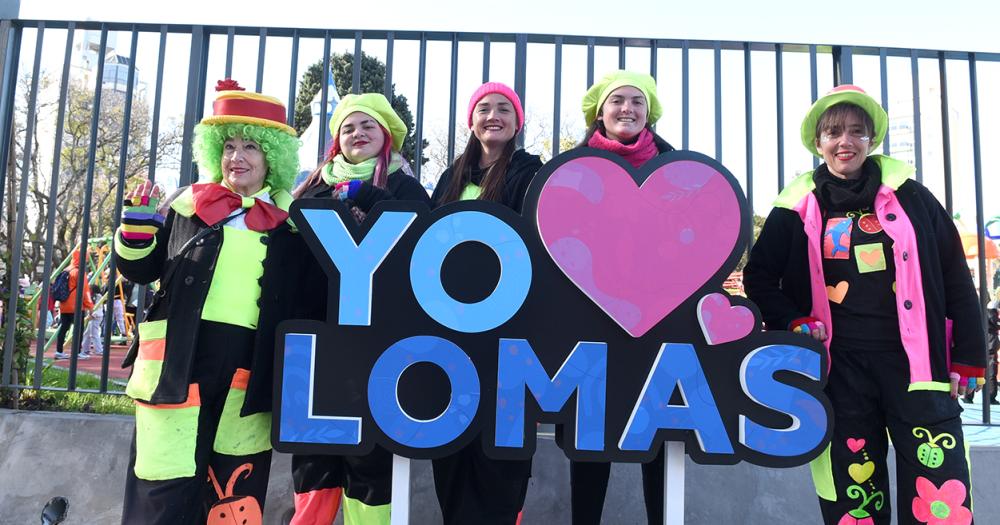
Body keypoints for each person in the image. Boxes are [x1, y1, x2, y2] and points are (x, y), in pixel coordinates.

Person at [744, 85, 984, 524]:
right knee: (854, 487)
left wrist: (969, 356)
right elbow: (759, 277)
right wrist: (793, 319)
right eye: (834, 132)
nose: (845, 142)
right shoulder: (794, 205)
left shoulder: (912, 196)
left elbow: (954, 273)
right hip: (841, 370)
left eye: (857, 131)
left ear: (871, 140)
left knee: (938, 486)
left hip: (917, 367)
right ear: (818, 142)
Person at [114, 78, 301, 524]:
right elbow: (140, 270)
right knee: (164, 483)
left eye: (251, 147)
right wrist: (137, 230)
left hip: (250, 370)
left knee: (233, 488)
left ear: (271, 158)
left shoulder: (292, 225)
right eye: (230, 146)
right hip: (179, 363)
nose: (237, 157)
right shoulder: (186, 206)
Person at [289, 93, 431, 525]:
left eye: (368, 126)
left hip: (377, 349)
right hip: (315, 347)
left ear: (386, 137)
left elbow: (420, 246)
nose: (358, 134)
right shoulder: (313, 185)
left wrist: (371, 198)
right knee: (313, 463)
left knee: (370, 464)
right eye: (348, 127)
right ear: (336, 139)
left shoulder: (404, 186)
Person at [430, 82, 542, 525]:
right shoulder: (450, 176)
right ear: (470, 121)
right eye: (483, 108)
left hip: (508, 335)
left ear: (517, 123)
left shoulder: (531, 172)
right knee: (450, 447)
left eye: (503, 109)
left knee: (501, 454)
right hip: (450, 331)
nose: (493, 115)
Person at [566, 69, 674, 525]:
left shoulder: (676, 165)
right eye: (617, 101)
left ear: (649, 112)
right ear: (599, 111)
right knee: (590, 433)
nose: (626, 109)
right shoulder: (570, 166)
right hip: (588, 317)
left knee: (661, 434)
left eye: (636, 101)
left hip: (661, 317)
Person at [55, 246, 93, 361]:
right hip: (76, 306)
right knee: (79, 329)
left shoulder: (66, 270)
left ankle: (59, 351)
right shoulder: (79, 272)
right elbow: (85, 291)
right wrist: (90, 307)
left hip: (64, 304)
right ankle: (77, 352)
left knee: (63, 328)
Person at [80, 283, 104, 357]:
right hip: (94, 315)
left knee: (94, 334)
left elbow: (98, 307)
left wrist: (93, 315)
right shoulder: (94, 296)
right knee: (87, 333)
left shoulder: (98, 296)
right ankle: (85, 349)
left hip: (96, 316)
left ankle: (99, 350)